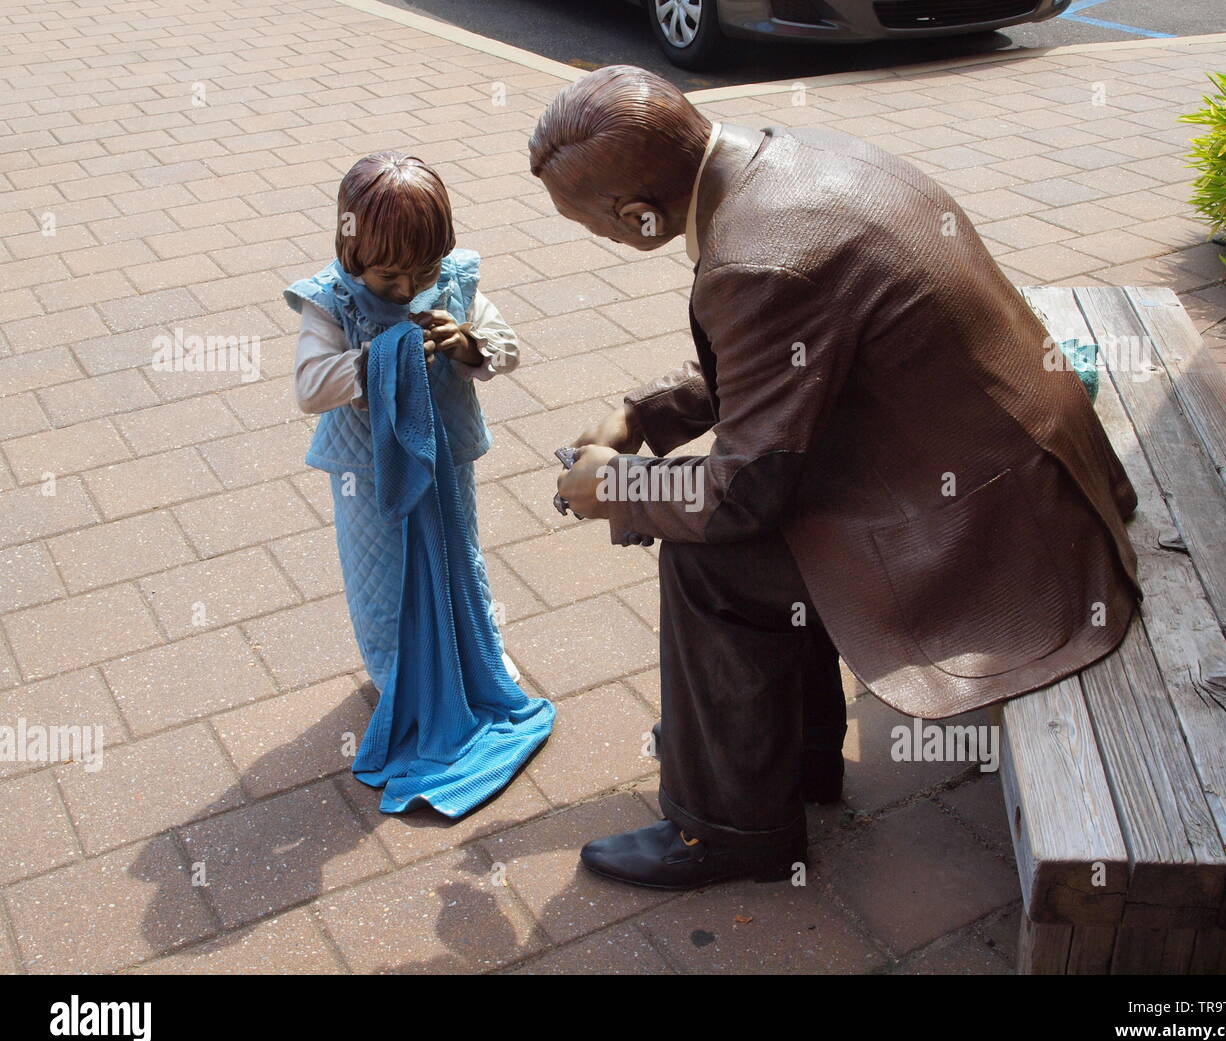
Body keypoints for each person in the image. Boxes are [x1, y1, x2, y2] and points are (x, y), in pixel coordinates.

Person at [529, 66, 1143, 889]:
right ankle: (801, 759)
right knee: (755, 528)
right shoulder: (780, 159)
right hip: (1007, 467)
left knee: (710, 561)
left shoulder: (757, 257)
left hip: (999, 533)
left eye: (594, 227)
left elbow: (743, 491)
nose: (602, 240)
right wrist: (642, 415)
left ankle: (732, 830)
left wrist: (616, 489)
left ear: (637, 218)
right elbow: (784, 354)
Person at [284, 152, 553, 815]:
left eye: (422, 272)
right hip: (366, 474)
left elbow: (508, 346)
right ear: (350, 253)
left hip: (445, 457)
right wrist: (377, 358)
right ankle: (398, 677)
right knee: (381, 576)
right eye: (388, 276)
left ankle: (474, 661)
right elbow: (308, 386)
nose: (406, 290)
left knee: (460, 556)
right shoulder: (334, 301)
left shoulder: (454, 282)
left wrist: (467, 345)